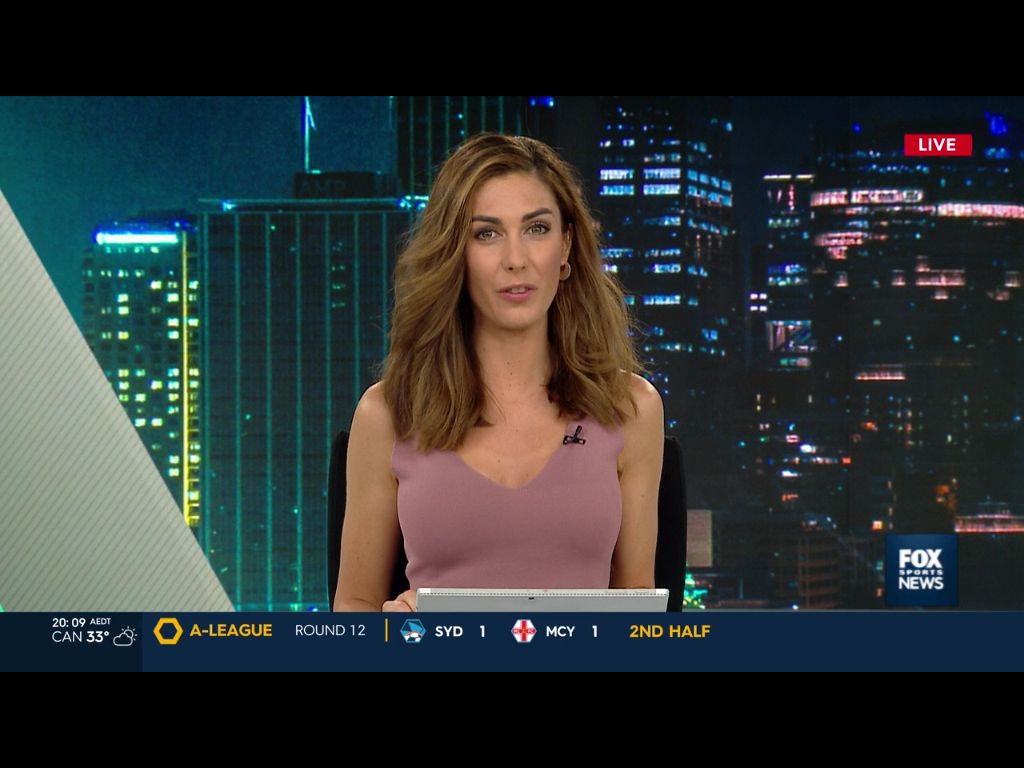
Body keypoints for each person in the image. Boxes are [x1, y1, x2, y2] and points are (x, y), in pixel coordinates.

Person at [333, 133, 664, 612]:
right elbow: (354, 607)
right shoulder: (386, 413)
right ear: (456, 254)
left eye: (537, 229)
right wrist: (393, 632)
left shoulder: (632, 409)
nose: (515, 260)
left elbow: (637, 613)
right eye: (486, 233)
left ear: (566, 247)